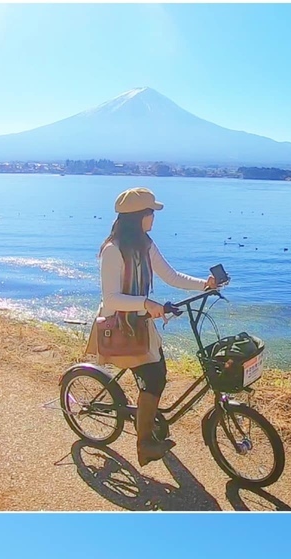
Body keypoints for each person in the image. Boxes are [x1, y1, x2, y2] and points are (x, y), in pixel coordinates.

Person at [85, 187, 218, 467]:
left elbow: (170, 275)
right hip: (120, 326)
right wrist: (146, 303)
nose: (153, 218)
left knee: (158, 373)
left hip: (141, 325)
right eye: (150, 213)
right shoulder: (113, 250)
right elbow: (110, 298)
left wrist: (204, 284)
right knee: (154, 378)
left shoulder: (146, 244)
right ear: (137, 217)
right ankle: (144, 444)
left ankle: (149, 422)